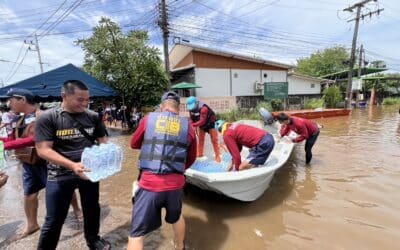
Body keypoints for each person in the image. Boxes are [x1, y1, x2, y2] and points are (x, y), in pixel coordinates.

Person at [35, 80, 110, 250]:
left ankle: (93, 239)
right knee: (54, 218)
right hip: (59, 175)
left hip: (88, 172)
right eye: (79, 99)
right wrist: (72, 165)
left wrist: (105, 159)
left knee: (92, 209)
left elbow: (103, 141)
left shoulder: (92, 116)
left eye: (87, 100)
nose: (84, 103)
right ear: (64, 96)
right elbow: (43, 150)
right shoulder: (48, 117)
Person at [1, 88, 82, 238]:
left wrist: (7, 145)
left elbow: (37, 138)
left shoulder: (44, 116)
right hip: (28, 162)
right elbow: (12, 140)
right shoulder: (17, 120)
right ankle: (32, 224)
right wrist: (3, 141)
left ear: (22, 100)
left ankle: (77, 209)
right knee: (29, 194)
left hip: (47, 161)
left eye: (11, 100)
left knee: (63, 190)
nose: (9, 103)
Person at [128, 91, 197, 250]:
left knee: (137, 233)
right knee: (177, 217)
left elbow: (133, 144)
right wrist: (177, 168)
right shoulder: (189, 127)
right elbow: (191, 157)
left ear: (161, 106)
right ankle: (179, 246)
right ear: (178, 108)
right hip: (175, 185)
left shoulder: (148, 119)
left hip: (150, 184)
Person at [186, 96, 221, 162]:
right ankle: (200, 154)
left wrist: (192, 125)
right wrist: (190, 124)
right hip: (201, 124)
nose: (191, 108)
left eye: (192, 106)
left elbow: (202, 121)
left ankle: (217, 155)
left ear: (196, 103)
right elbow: (191, 119)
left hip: (211, 123)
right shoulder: (191, 110)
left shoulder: (203, 108)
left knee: (214, 140)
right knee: (201, 139)